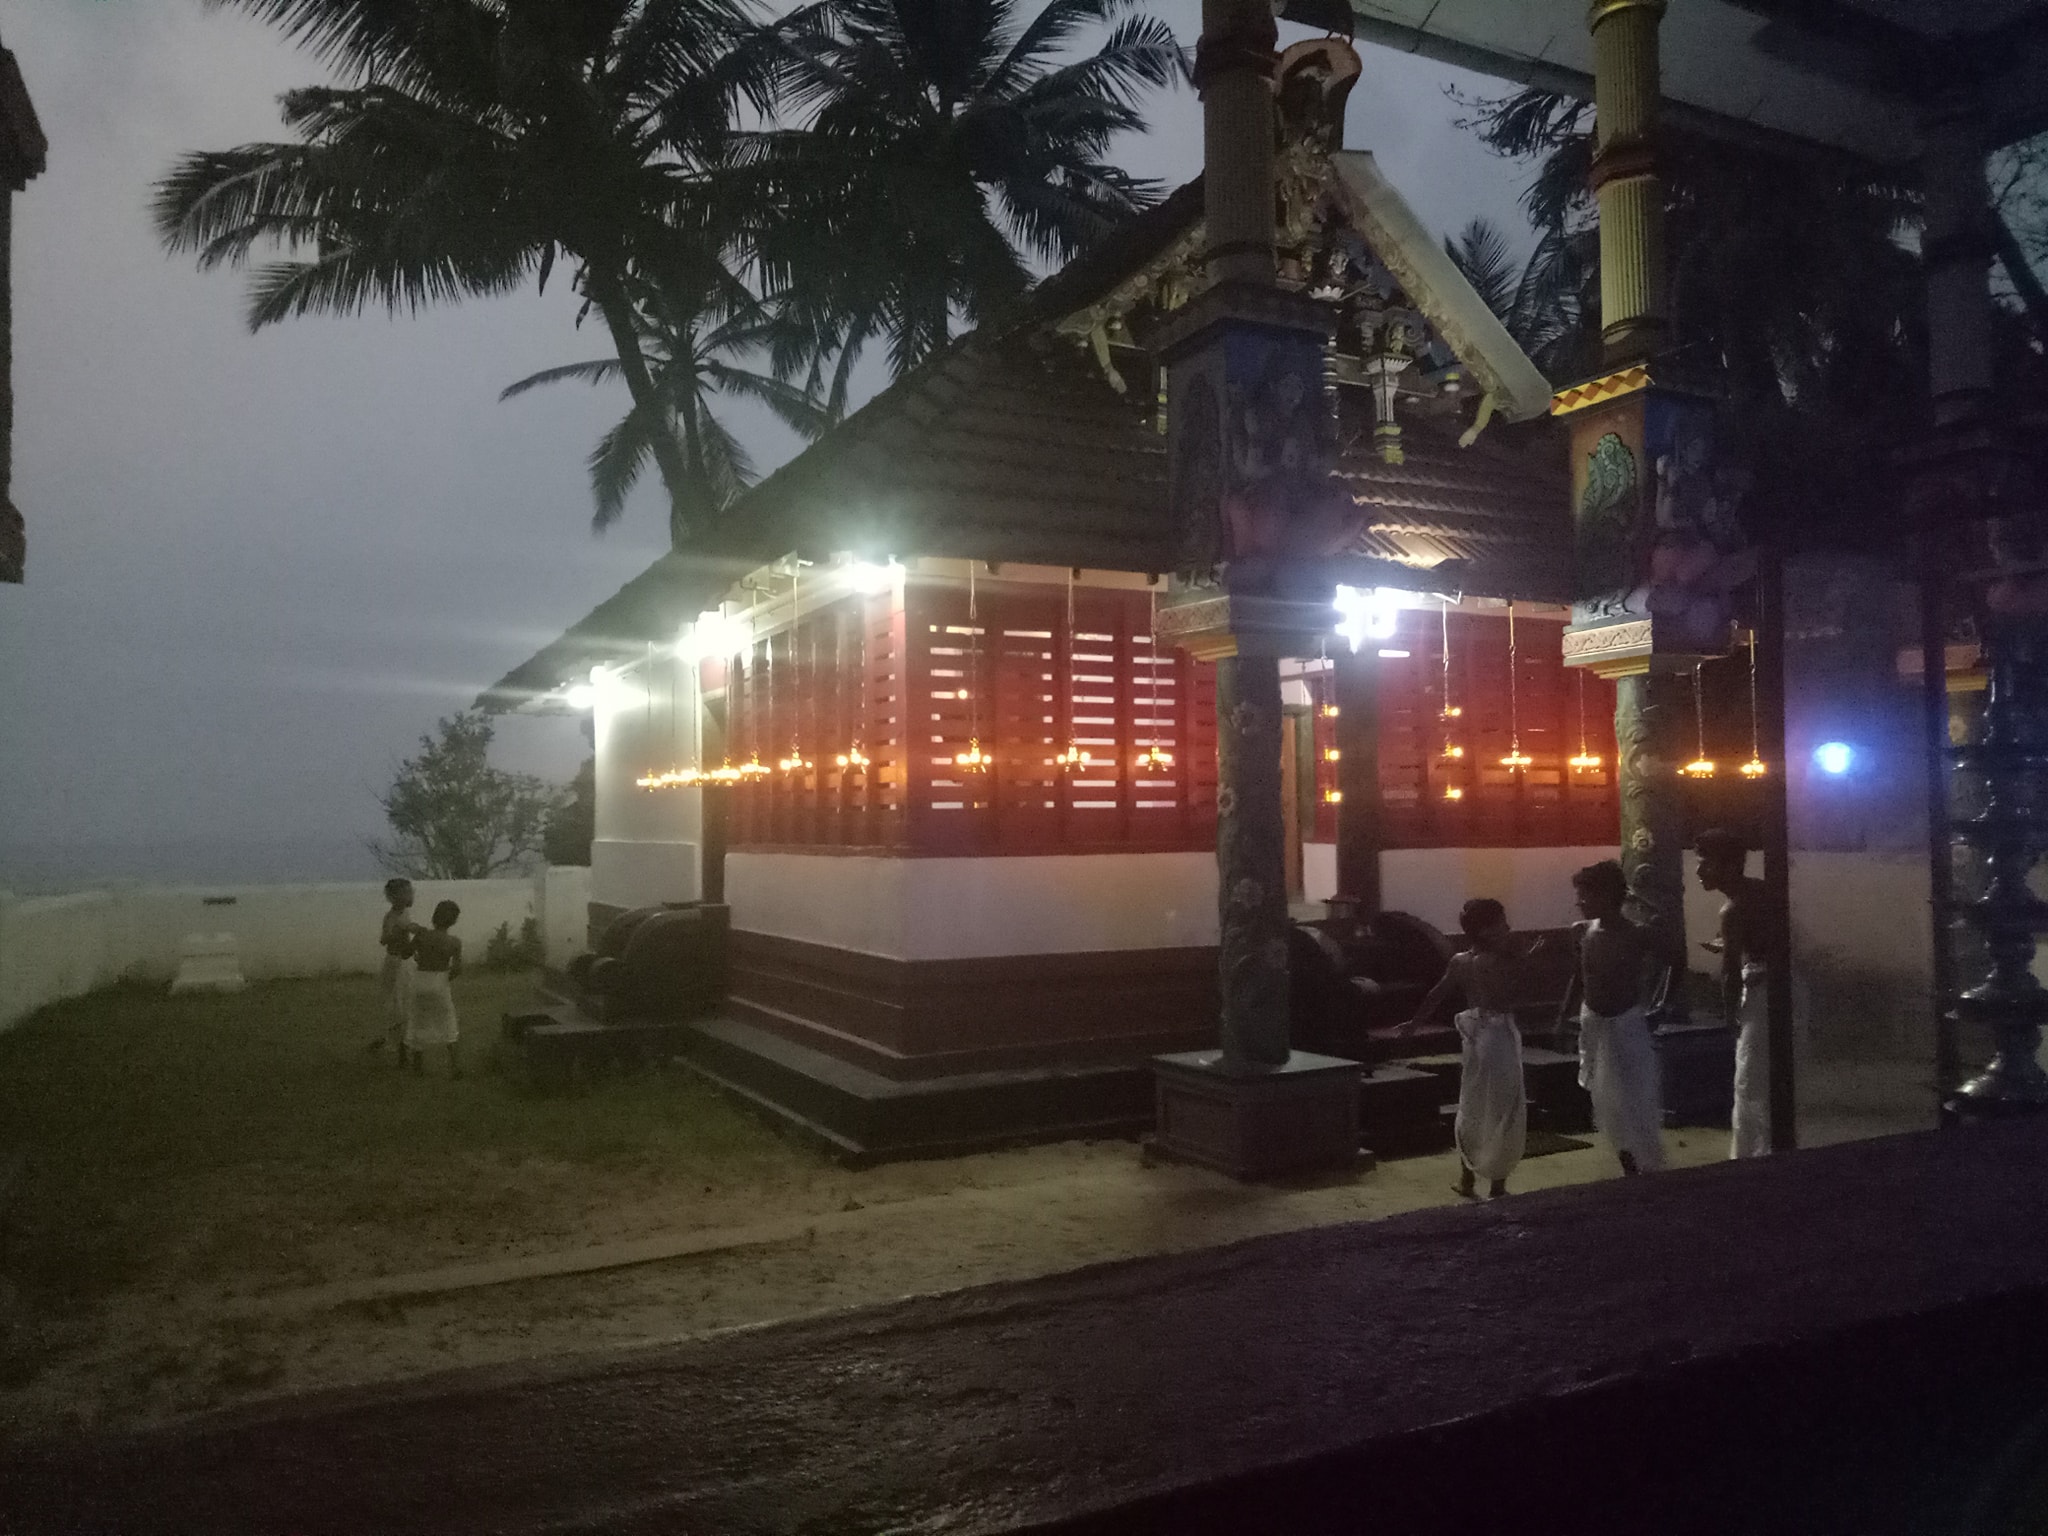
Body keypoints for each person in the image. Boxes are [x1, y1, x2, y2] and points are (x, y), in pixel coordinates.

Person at [1397, 898, 1530, 1199]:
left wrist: (1414, 1023)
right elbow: (1511, 992)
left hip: (1475, 1038)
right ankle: (1497, 1183)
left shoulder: (1460, 961)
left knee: (1470, 1104)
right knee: (1502, 1108)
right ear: (1485, 930)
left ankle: (1467, 1178)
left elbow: (1437, 993)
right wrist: (1524, 958)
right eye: (1501, 922)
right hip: (1498, 1038)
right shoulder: (1498, 960)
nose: (1508, 926)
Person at [1560, 860, 1665, 1176]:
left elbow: (1672, 954)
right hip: (1594, 1020)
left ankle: (1645, 1159)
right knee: (1605, 1097)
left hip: (1626, 1020)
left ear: (1606, 895)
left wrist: (1660, 1002)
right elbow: (1579, 977)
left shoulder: (1636, 933)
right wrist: (1563, 1014)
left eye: (1585, 895)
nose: (1579, 902)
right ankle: (1626, 1159)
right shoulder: (1582, 932)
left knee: (1637, 1093)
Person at [1696, 829, 1771, 1158]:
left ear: (1727, 865)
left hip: (1761, 998)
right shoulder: (1764, 892)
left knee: (1751, 1083)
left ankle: (1753, 1157)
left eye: (1705, 862)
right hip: (1782, 990)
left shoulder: (1732, 910)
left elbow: (1730, 971)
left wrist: (1730, 1016)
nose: (1699, 871)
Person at [405, 900, 464, 1079]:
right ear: (453, 921)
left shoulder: (422, 936)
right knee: (448, 1022)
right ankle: (454, 1068)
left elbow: (405, 953)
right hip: (439, 981)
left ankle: (417, 1067)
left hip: (420, 980)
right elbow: (457, 969)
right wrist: (445, 979)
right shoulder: (454, 942)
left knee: (418, 1019)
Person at [372, 878, 416, 1062]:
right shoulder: (391, 917)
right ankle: (399, 1047)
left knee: (406, 1002)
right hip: (395, 963)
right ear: (395, 897)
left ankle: (404, 1043)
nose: (411, 895)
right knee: (397, 1004)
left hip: (405, 962)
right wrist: (397, 932)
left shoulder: (405, 912)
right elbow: (384, 940)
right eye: (407, 893)